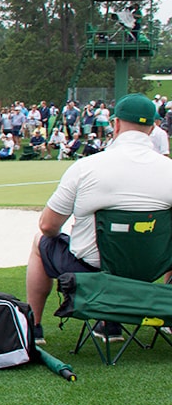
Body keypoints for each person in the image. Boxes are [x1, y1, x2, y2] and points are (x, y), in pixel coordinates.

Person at [25, 93, 172, 343]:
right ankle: (164, 316)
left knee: (41, 242)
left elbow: (48, 225)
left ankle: (34, 328)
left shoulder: (86, 167)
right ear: (152, 127)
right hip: (151, 270)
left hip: (92, 271)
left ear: (115, 124)